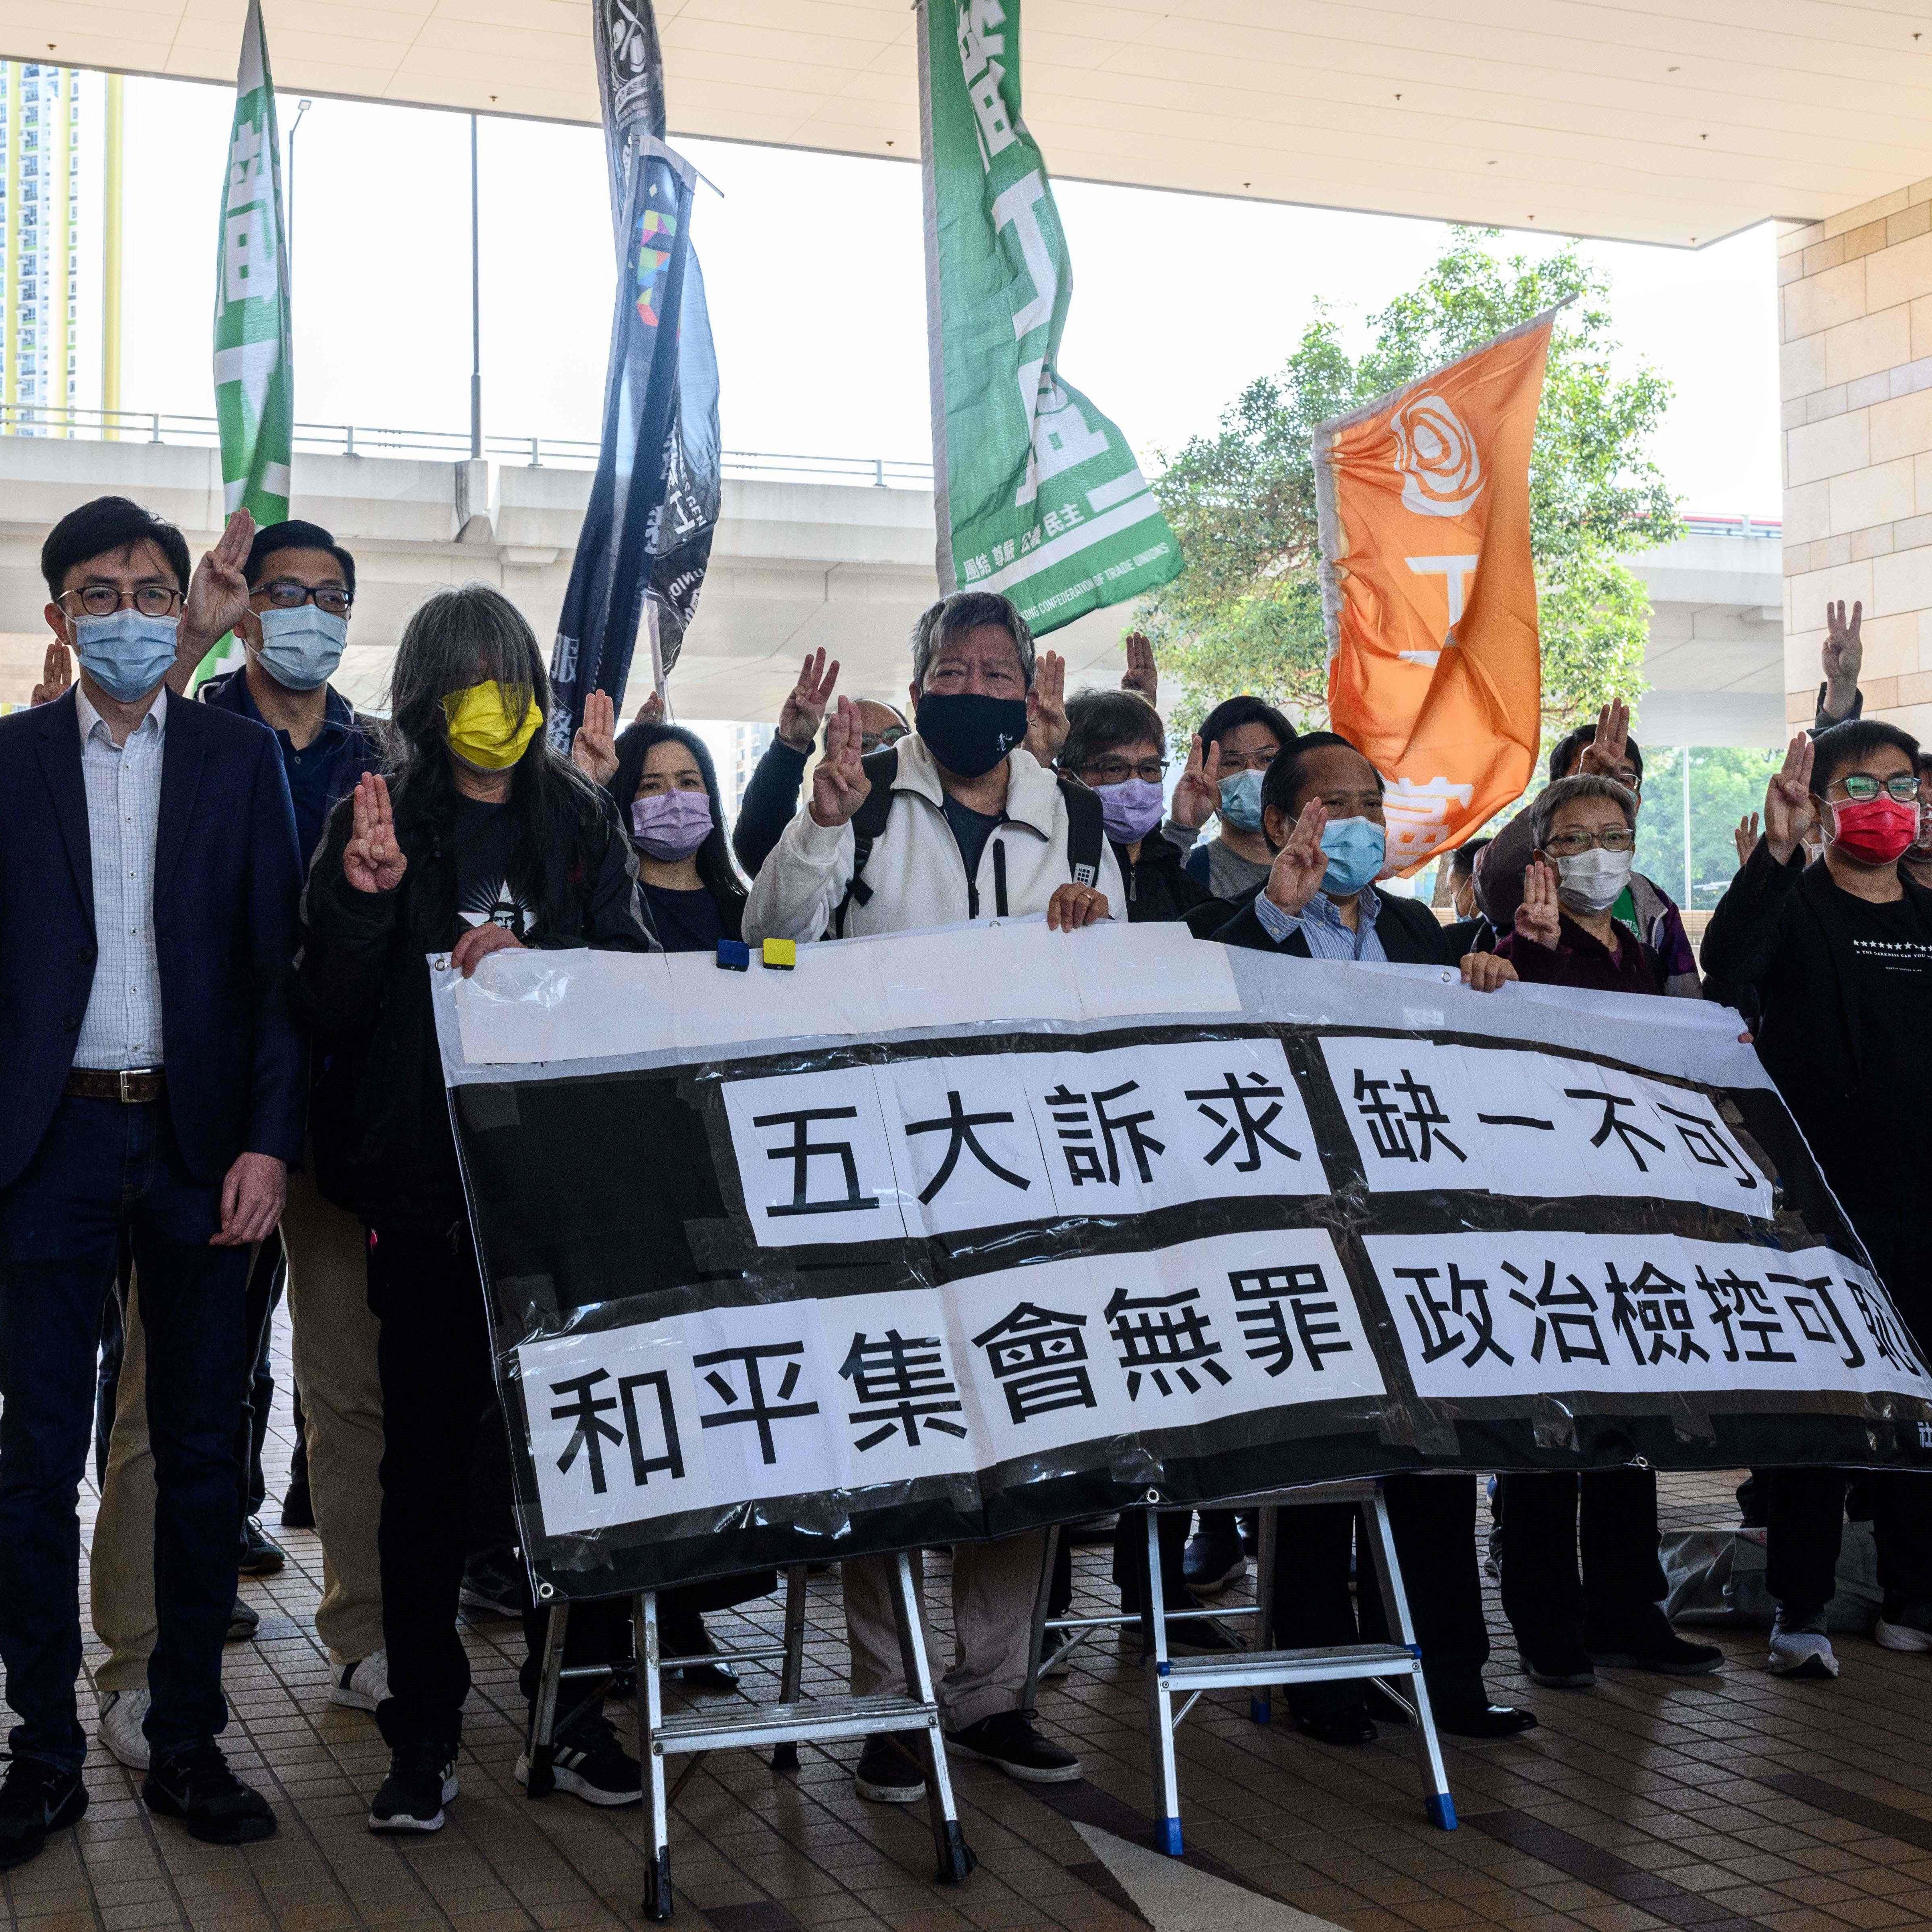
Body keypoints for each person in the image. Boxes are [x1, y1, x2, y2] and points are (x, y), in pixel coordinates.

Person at [295, 584, 654, 1833]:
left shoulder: (580, 820)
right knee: (428, 1475)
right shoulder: (380, 817)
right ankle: (425, 1733)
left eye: (507, 674)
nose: (490, 701)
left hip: (559, 1195)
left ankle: (574, 1711)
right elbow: (329, 1009)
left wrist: (536, 975)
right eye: (465, 678)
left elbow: (630, 984)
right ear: (424, 697)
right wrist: (359, 896)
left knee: (580, 1456)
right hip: (426, 1196)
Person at [746, 589, 1113, 1806]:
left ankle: (991, 1692)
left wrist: (1090, 934)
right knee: (898, 1432)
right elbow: (767, 944)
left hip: (1027, 1166)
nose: (974, 686)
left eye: (996, 670)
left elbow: (1115, 985)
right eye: (950, 667)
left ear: (1025, 692)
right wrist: (815, 825)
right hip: (881, 1167)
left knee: (1027, 1417)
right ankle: (891, 1701)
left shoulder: (1070, 814)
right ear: (920, 681)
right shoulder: (862, 789)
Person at [0, 494, 305, 1864]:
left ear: (180, 603)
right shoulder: (6, 766)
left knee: (196, 1464)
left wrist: (266, 1143)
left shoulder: (243, 765)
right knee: (31, 1464)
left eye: (147, 590)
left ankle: (185, 1740)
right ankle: (42, 1754)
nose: (123, 612)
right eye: (97, 593)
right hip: (46, 1150)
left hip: (199, 1154)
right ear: (60, 615)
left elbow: (275, 979)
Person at [88, 516, 393, 1774]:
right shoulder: (185, 725)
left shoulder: (384, 757)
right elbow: (99, 738)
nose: (307, 614)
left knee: (349, 1383)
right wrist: (190, 621)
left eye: (331, 595)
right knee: (172, 1397)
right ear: (246, 607)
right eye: (286, 594)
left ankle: (367, 1625)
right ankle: (133, 1652)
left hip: (341, 1118)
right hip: (208, 1122)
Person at [1210, 731, 1533, 1742]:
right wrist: (1279, 912)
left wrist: (1481, 975)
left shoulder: (1418, 931)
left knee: (1431, 1466)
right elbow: (1207, 1024)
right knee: (1320, 1463)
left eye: (1367, 803)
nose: (1352, 824)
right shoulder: (1227, 927)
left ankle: (1448, 1679)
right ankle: (1323, 1681)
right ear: (1277, 823)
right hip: (1296, 1229)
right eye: (1329, 805)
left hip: (1407, 1231)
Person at [1703, 721, 1932, 1679]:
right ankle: (1797, 1606)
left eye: (1898, 783)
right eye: (1858, 785)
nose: (1882, 802)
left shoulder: (1927, 911)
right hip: (1819, 1205)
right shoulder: (1793, 905)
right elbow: (1727, 965)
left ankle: (1912, 1595)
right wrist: (1780, 849)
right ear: (1821, 799)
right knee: (1822, 1410)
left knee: (1920, 1411)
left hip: (1921, 1203)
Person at [1491, 776, 1728, 1687]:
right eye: (1575, 839)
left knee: (1629, 1437)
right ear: (1541, 858)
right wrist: (1523, 951)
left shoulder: (1635, 948)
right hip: (1546, 1223)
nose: (1599, 853)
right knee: (1548, 1438)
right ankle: (1548, 1630)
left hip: (1631, 1224)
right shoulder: (1516, 945)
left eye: (1615, 834)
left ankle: (1629, 1612)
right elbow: (1499, 1021)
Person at [1475, 701, 1701, 998]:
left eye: (1623, 780)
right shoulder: (1531, 916)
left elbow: (1686, 1011)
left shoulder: (1653, 911)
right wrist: (1576, 788)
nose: (1598, 852)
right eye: (1574, 838)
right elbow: (1497, 877)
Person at [720, 649, 910, 879]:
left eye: (896, 737)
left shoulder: (937, 807)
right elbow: (759, 856)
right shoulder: (822, 829)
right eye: (863, 743)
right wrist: (789, 748)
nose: (884, 751)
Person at [1170, 695, 1296, 907]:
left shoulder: (1323, 873)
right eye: (1232, 762)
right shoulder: (1189, 870)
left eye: (1267, 759)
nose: (1250, 773)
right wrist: (1182, 828)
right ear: (1206, 774)